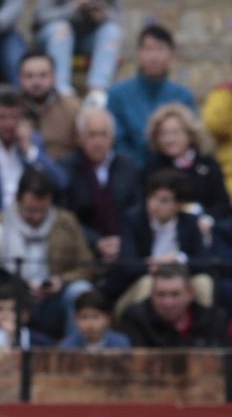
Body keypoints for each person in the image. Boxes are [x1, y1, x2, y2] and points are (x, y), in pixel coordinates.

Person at [0, 168, 93, 338]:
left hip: (55, 297)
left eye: (42, 210)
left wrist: (61, 281)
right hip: (14, 294)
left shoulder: (66, 222)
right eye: (30, 210)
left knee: (80, 290)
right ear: (17, 200)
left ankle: (73, 350)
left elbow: (88, 266)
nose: (36, 216)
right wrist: (20, 285)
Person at [106, 170, 215, 310]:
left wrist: (178, 259)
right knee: (148, 284)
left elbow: (205, 262)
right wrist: (158, 264)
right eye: (152, 197)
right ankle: (142, 329)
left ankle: (201, 329)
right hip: (142, 282)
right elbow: (127, 265)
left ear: (179, 204)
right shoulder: (133, 220)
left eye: (164, 200)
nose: (154, 205)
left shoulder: (190, 222)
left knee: (203, 283)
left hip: (179, 280)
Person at [0, 85, 67, 223]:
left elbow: (61, 182)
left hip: (34, 222)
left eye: (14, 117)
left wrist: (29, 151)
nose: (9, 124)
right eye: (2, 117)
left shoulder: (32, 141)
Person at [106, 25, 196, 168]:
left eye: (160, 49)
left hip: (176, 174)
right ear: (139, 54)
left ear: (171, 55)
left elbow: (191, 141)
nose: (154, 56)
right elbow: (117, 141)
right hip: (131, 173)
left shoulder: (183, 96)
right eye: (148, 49)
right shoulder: (118, 94)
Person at [62, 106, 136, 268]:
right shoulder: (67, 168)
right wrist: (97, 241)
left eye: (103, 134)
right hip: (82, 254)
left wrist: (121, 241)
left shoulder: (127, 166)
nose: (98, 142)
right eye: (92, 135)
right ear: (79, 137)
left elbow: (136, 209)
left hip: (124, 252)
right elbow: (66, 217)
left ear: (112, 137)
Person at [34, 0, 123, 99]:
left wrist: (103, 14)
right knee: (62, 28)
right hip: (53, 38)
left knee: (112, 31)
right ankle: (61, 90)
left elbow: (119, 19)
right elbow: (41, 16)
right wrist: (72, 8)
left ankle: (97, 91)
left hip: (87, 39)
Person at [141, 104, 232, 220]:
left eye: (175, 132)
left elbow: (222, 204)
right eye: (163, 133)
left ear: (190, 134)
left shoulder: (208, 164)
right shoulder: (153, 168)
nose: (169, 139)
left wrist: (209, 220)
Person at [117, 264, 225, 349]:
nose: (167, 303)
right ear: (151, 295)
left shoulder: (213, 320)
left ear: (190, 293)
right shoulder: (135, 319)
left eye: (175, 294)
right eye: (161, 294)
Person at [18, 51, 80, 162]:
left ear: (54, 76)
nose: (36, 82)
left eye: (43, 75)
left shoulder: (72, 107)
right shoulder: (12, 108)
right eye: (29, 76)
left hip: (63, 171)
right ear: (20, 78)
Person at [0, 281, 50, 348]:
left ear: (26, 314)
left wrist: (12, 335)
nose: (6, 314)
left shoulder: (40, 342)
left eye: (13, 309)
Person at [57, 290, 130, 349]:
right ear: (75, 319)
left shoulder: (120, 344)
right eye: (84, 317)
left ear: (107, 318)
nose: (90, 324)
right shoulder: (67, 347)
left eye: (95, 317)